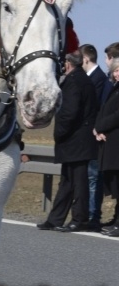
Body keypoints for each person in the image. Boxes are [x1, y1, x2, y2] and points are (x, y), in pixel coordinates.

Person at [36, 51, 98, 232]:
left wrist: (59, 133)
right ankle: (55, 218)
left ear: (68, 64)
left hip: (75, 140)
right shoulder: (82, 80)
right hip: (78, 140)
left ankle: (80, 219)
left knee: (78, 183)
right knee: (68, 181)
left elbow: (69, 113)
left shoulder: (74, 82)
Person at [79, 43, 107, 230]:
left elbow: (93, 108)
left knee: (93, 177)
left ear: (86, 59)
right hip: (86, 138)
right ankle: (87, 215)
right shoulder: (93, 78)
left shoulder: (97, 79)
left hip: (94, 137)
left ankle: (92, 216)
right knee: (89, 178)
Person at [94, 57, 119, 237]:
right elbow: (104, 111)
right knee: (115, 183)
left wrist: (101, 126)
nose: (117, 74)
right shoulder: (115, 88)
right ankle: (116, 220)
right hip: (111, 142)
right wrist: (97, 128)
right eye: (115, 70)